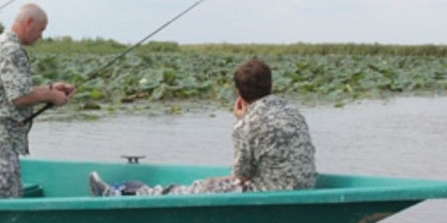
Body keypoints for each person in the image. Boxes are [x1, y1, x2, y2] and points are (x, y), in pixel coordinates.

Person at [89, 58, 317, 196]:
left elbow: (241, 175)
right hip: (303, 187)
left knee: (203, 187)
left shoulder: (248, 124)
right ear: (270, 86)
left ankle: (130, 194)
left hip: (271, 193)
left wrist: (240, 121)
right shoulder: (293, 112)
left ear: (238, 93)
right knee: (213, 183)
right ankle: (140, 191)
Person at [0, 3, 76, 199]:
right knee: (3, 199)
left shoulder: (0, 44)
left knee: (8, 195)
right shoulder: (10, 49)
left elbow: (12, 91)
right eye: (41, 29)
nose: (41, 36)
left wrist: (51, 88)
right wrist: (51, 96)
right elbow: (19, 98)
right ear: (28, 22)